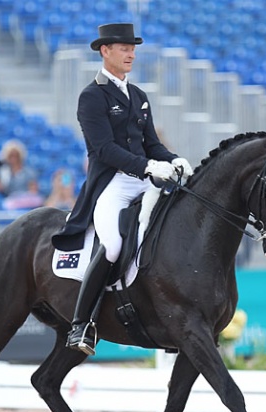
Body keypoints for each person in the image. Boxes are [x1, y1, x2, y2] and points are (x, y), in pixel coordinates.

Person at [51, 23, 193, 355]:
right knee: (113, 245)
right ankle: (80, 324)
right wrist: (146, 166)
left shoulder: (139, 96)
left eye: (133, 48)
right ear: (105, 51)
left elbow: (152, 145)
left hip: (145, 180)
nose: (131, 54)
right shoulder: (92, 96)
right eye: (123, 48)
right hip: (111, 184)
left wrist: (174, 159)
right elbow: (103, 149)